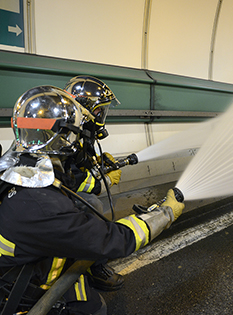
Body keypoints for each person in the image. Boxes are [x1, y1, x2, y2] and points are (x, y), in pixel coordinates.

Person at [0, 86, 184, 315]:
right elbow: (112, 240)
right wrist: (164, 213)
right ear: (62, 135)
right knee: (95, 310)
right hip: (19, 293)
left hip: (26, 265)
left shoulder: (19, 165)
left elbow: (68, 181)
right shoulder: (44, 207)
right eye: (73, 132)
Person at [64, 75, 125, 291]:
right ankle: (94, 267)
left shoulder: (81, 130)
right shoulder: (67, 133)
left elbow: (79, 161)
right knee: (93, 206)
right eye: (100, 110)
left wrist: (96, 161)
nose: (102, 115)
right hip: (45, 194)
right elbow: (69, 179)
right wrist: (103, 181)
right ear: (85, 109)